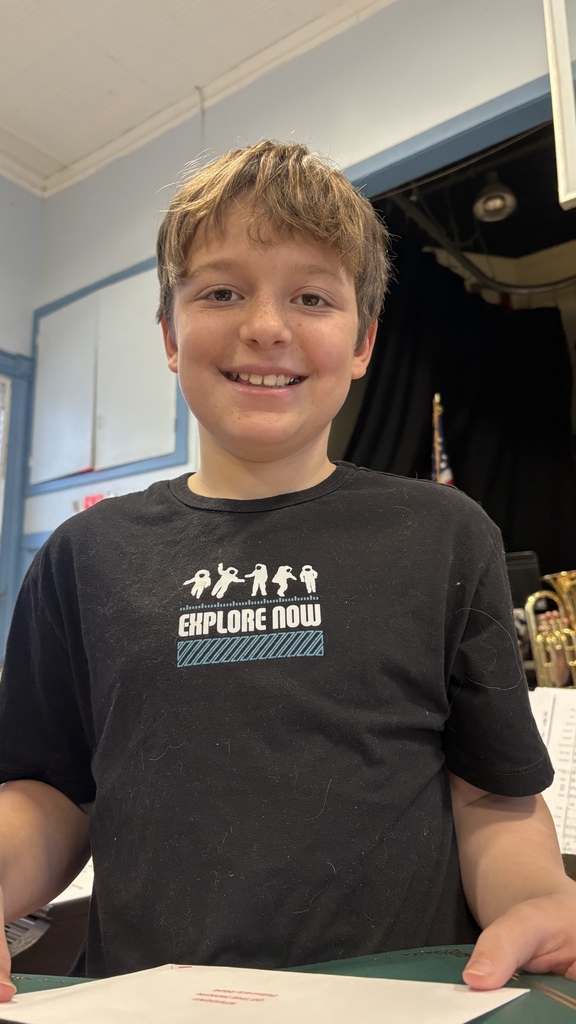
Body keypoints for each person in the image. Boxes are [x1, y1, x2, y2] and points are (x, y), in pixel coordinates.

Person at [1, 140, 575, 998]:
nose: (266, 325)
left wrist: (539, 898)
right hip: (148, 1002)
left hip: (396, 998)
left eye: (311, 296)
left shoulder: (445, 535)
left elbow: (489, 792)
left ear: (364, 342)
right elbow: (52, 794)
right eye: (222, 291)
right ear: (169, 332)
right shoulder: (83, 557)